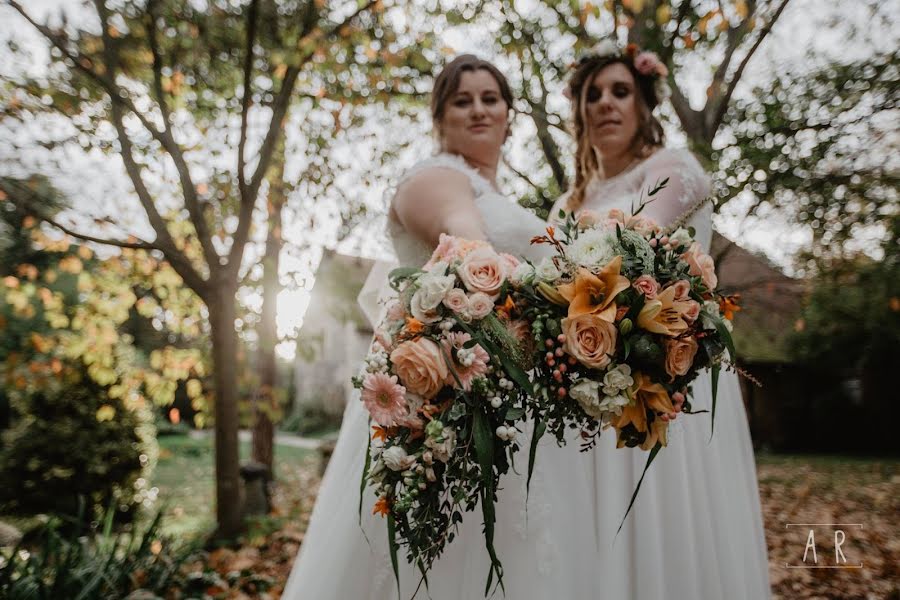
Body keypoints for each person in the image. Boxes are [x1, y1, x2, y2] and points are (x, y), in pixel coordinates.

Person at [283, 55, 596, 600]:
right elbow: (466, 239)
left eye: (490, 98)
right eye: (461, 100)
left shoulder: (497, 192)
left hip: (507, 394)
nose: (478, 109)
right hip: (443, 397)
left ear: (508, 113)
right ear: (440, 117)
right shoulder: (434, 178)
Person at [552, 41, 772, 599]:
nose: (604, 103)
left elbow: (630, 245)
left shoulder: (676, 170)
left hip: (667, 380)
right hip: (589, 381)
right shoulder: (570, 202)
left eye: (620, 91)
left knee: (660, 525)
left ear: (644, 104)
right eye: (592, 94)